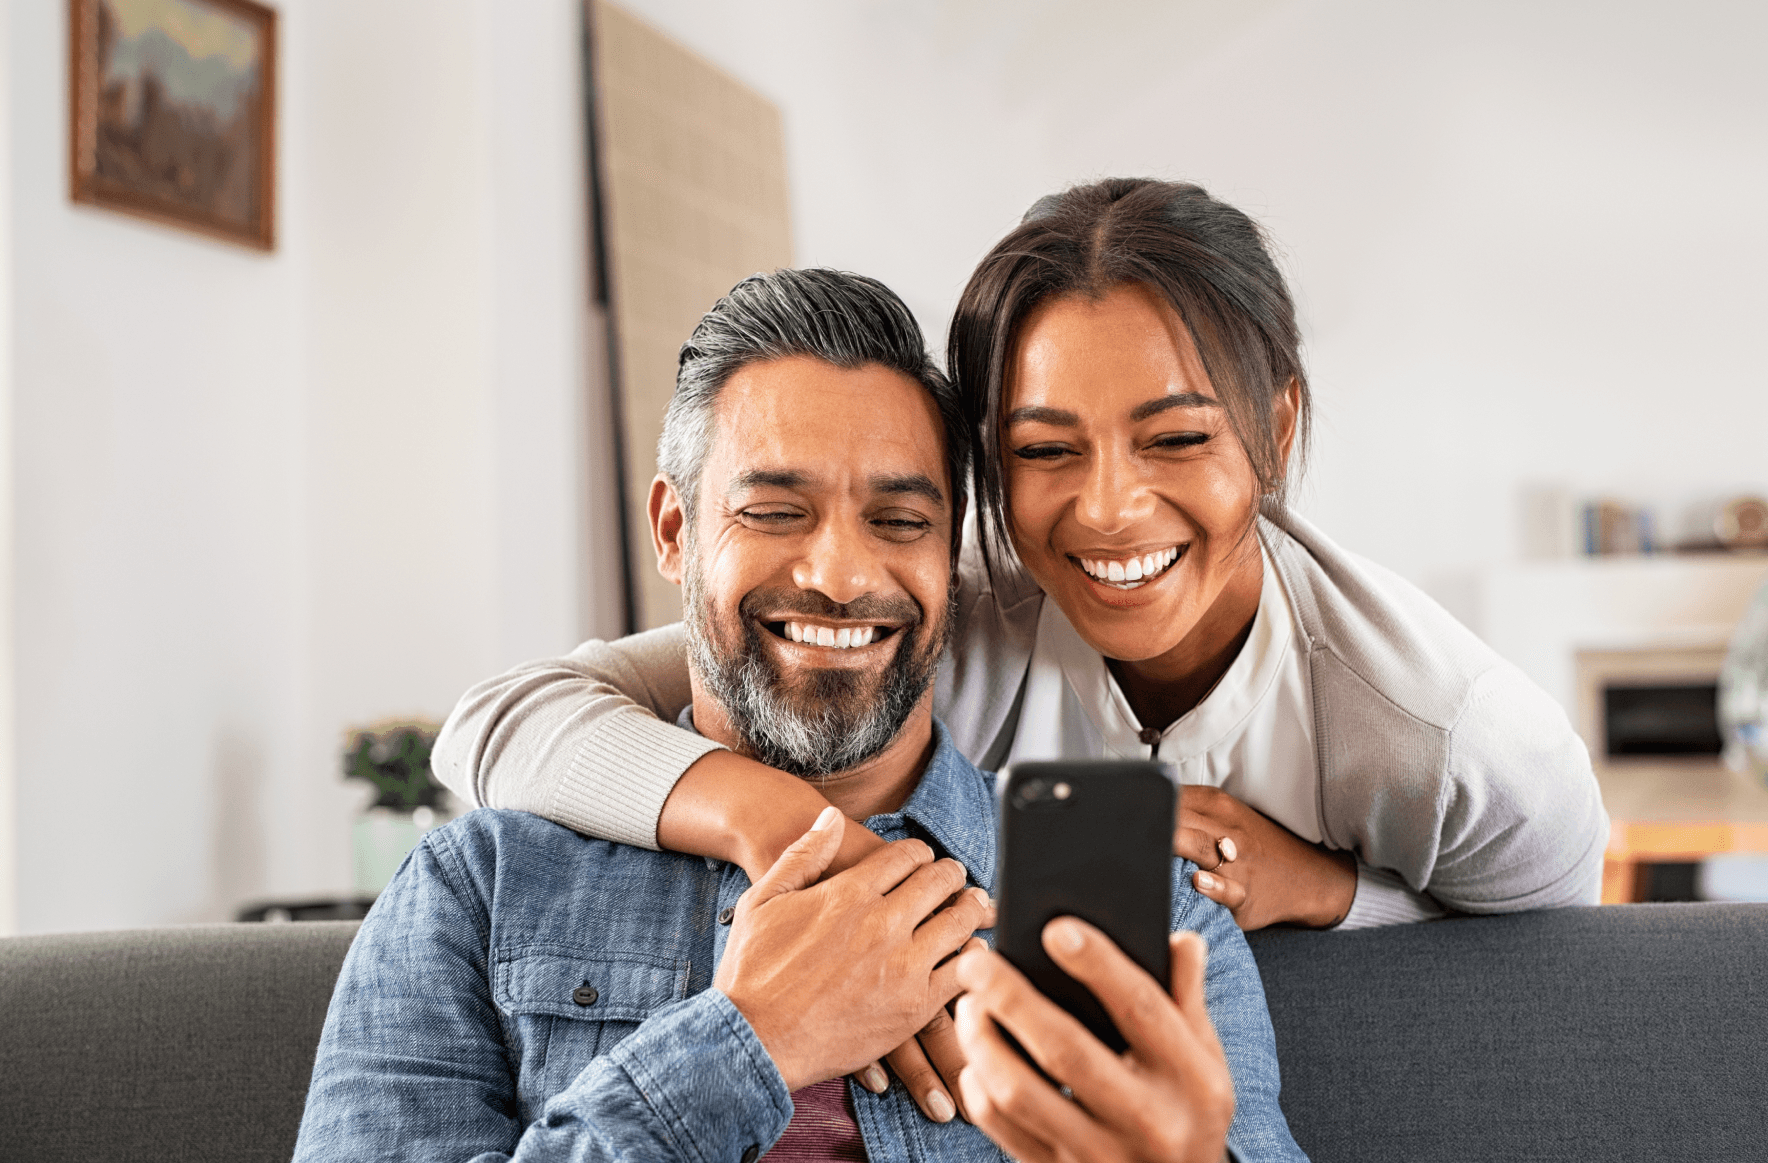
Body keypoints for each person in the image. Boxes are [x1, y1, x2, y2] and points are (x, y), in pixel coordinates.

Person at [273, 269, 1366, 1163]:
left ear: (953, 558)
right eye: (774, 511)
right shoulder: (481, 884)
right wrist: (743, 1044)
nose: (840, 574)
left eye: (897, 519)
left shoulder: (1149, 908)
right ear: (673, 528)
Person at [434, 180, 1605, 928]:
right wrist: (772, 815)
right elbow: (500, 722)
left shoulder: (1440, 728)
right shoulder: (946, 618)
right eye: (1045, 449)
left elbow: (1557, 948)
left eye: (1176, 438)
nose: (1105, 510)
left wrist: (1327, 892)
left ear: (1276, 427)